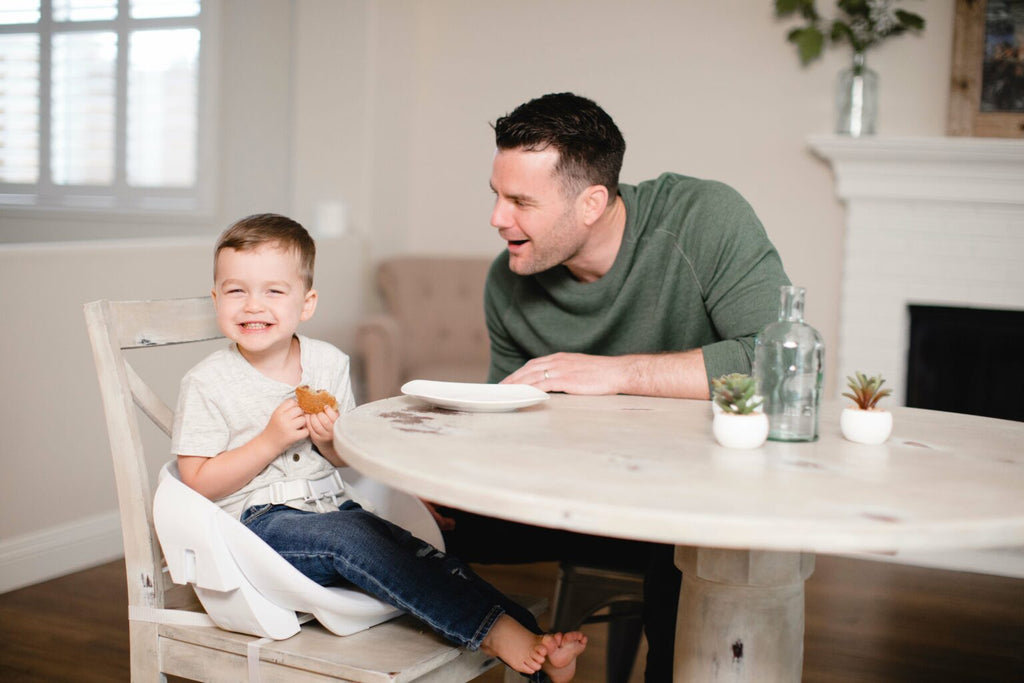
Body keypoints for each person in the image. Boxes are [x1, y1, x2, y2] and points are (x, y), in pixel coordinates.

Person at [437, 92, 792, 681]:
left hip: (692, 504)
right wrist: (445, 481)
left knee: (683, 557)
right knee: (403, 524)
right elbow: (508, 420)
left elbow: (777, 364)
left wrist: (618, 373)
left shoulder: (704, 219)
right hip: (575, 500)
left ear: (592, 203)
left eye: (521, 201)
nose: (498, 219)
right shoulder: (508, 279)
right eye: (496, 195)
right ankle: (534, 654)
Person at [170, 213, 588, 682]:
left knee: (412, 549)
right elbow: (197, 484)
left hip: (334, 505)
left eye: (273, 291)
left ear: (305, 304)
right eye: (236, 290)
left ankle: (525, 635)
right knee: (349, 540)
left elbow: (344, 461)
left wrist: (331, 440)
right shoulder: (208, 382)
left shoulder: (327, 364)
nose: (253, 305)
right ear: (216, 300)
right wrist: (269, 441)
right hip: (254, 530)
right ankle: (497, 632)